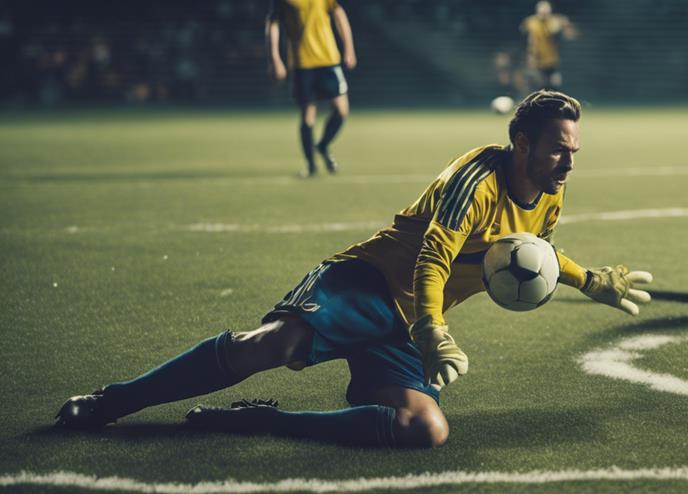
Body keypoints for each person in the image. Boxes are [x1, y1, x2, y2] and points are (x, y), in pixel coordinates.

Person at [55, 90, 653, 449]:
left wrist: (588, 279)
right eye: (558, 149)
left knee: (426, 430)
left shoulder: (550, 192)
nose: (568, 162)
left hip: (407, 323)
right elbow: (433, 257)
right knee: (269, 344)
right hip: (365, 283)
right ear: (521, 143)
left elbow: (536, 256)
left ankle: (269, 423)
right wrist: (434, 330)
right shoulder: (476, 176)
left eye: (574, 151)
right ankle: (111, 403)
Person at [267, 0, 357, 177]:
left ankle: (322, 145)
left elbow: (339, 15)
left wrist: (349, 48)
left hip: (329, 59)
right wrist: (275, 58)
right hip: (302, 63)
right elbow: (273, 24)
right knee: (308, 114)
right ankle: (311, 166)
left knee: (342, 111)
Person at [520, 1, 578, 90]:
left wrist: (564, 29)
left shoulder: (556, 21)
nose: (544, 12)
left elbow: (571, 34)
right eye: (541, 9)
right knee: (538, 84)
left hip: (553, 59)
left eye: (546, 9)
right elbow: (526, 36)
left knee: (555, 84)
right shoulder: (531, 22)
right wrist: (530, 55)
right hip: (537, 59)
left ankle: (554, 101)